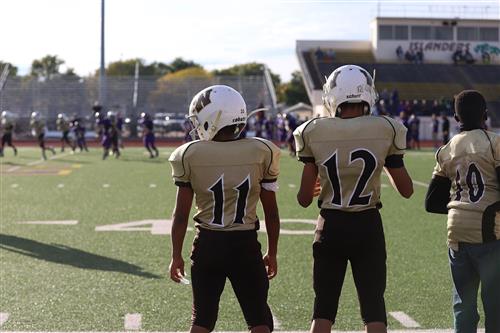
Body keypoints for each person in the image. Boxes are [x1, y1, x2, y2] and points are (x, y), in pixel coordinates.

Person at [293, 65, 413, 333]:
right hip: (367, 225)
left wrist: (317, 184)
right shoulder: (386, 128)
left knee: (323, 311)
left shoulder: (313, 130)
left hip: (330, 225)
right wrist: (380, 162)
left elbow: (303, 198)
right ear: (368, 94)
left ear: (332, 96)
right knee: (373, 310)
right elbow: (406, 189)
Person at [168, 85, 281, 333]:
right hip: (245, 245)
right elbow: (271, 213)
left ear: (211, 119)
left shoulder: (189, 154)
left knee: (202, 320)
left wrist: (176, 254)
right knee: (260, 320)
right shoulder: (262, 151)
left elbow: (180, 215)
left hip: (208, 244)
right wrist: (272, 252)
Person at [424, 90, 500, 333]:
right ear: (485, 115)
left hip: (456, 231)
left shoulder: (446, 150)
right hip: (488, 229)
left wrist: (461, 206)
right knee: (495, 303)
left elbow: (432, 202)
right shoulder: (494, 143)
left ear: (456, 118)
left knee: (463, 305)